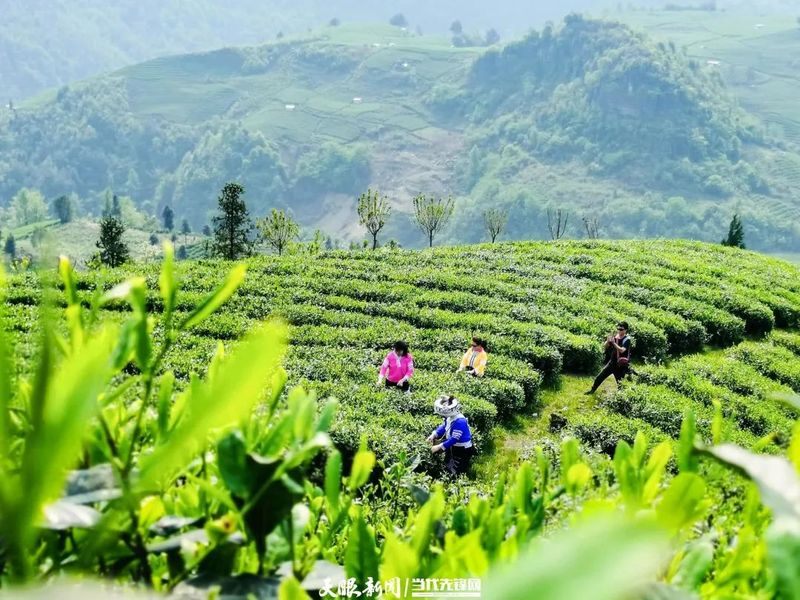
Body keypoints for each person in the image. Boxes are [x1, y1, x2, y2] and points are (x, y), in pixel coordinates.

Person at [427, 395, 475, 476]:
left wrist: (439, 446)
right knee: (447, 463)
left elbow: (454, 439)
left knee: (458, 469)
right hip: (452, 446)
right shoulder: (449, 418)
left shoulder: (460, 421)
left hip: (462, 449)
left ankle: (458, 478)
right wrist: (433, 435)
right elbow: (444, 427)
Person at [585, 321, 632, 395]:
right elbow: (605, 346)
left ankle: (622, 398)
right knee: (599, 377)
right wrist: (607, 341)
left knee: (620, 384)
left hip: (620, 366)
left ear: (626, 330)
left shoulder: (627, 340)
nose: (619, 330)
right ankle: (592, 391)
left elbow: (622, 350)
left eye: (621, 329)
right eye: (618, 329)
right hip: (612, 363)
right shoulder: (615, 337)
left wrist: (614, 343)